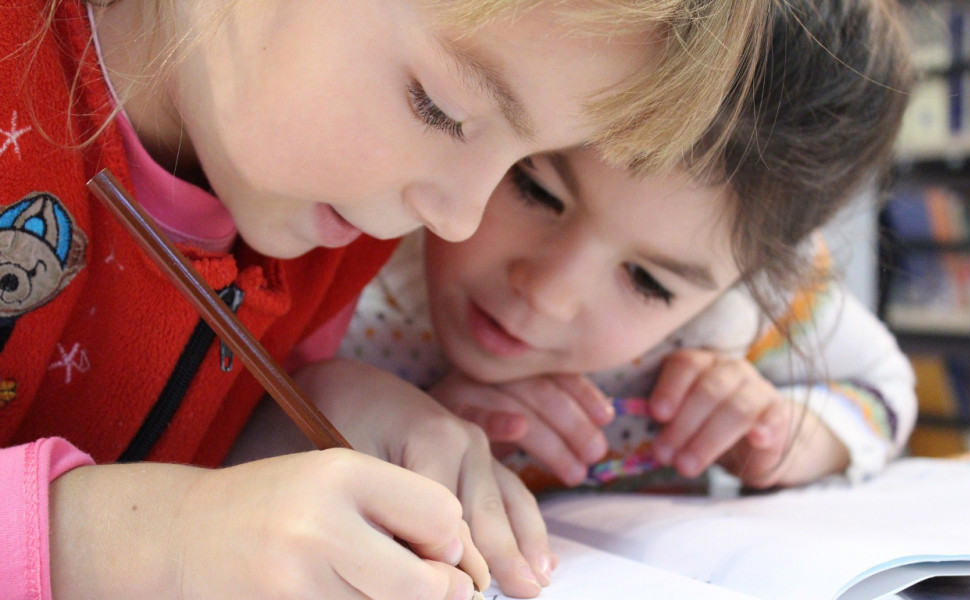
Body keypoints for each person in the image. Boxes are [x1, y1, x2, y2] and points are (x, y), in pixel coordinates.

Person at [0, 1, 773, 599]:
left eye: (525, 158)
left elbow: (175, 441)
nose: (458, 217)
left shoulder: (335, 224)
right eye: (441, 109)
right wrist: (134, 545)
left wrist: (313, 417)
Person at [235, 0, 917, 496]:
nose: (549, 293)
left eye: (649, 283)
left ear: (746, 282)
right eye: (536, 191)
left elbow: (884, 390)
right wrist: (360, 418)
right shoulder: (352, 236)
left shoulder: (746, 317)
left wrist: (789, 438)